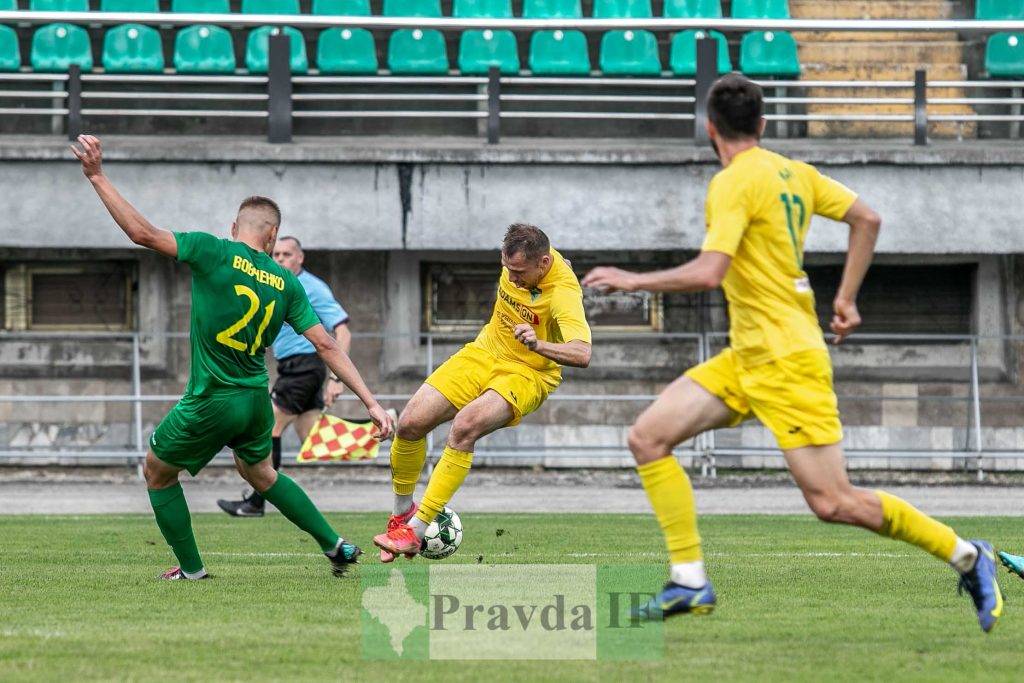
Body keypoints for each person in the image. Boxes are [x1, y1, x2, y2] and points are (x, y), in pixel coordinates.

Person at [581, 73, 1003, 632]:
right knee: (648, 437)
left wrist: (632, 281)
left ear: (710, 129)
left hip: (787, 360)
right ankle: (689, 580)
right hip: (747, 356)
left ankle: (970, 557)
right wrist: (846, 299)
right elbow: (866, 219)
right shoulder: (793, 173)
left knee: (833, 503)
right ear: (761, 124)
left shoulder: (732, 182)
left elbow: (711, 272)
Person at [71, 134, 395, 580]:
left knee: (157, 471)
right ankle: (335, 545)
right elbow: (326, 344)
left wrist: (96, 175)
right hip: (255, 400)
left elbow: (141, 233)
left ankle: (191, 570)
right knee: (260, 472)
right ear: (273, 236)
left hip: (213, 397)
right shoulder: (287, 282)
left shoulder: (214, 251)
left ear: (233, 226)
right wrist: (372, 403)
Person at [373, 224, 591, 561]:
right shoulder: (523, 260)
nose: (512, 278)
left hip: (527, 373)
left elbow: (582, 353)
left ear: (544, 262)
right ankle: (401, 514)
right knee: (410, 423)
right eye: (507, 269)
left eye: (519, 272)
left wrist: (539, 343)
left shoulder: (563, 293)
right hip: (484, 352)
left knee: (465, 426)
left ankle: (416, 531)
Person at [217, 236, 351, 517]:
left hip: (305, 366)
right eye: (276, 254)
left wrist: (337, 379)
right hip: (291, 367)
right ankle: (381, 433)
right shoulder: (275, 283)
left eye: (287, 254)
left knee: (269, 427)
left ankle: (256, 502)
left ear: (300, 258)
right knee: (312, 435)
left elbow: (343, 330)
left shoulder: (313, 287)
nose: (279, 259)